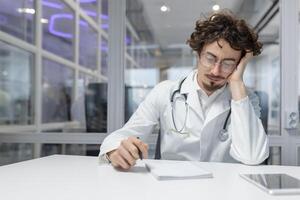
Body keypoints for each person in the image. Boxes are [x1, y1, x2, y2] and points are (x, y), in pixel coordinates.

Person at [99, 11, 269, 169]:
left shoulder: (245, 100)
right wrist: (115, 151)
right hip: (173, 188)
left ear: (239, 64)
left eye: (228, 63)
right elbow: (120, 137)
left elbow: (252, 157)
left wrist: (237, 82)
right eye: (210, 58)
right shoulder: (165, 92)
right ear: (198, 54)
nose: (216, 71)